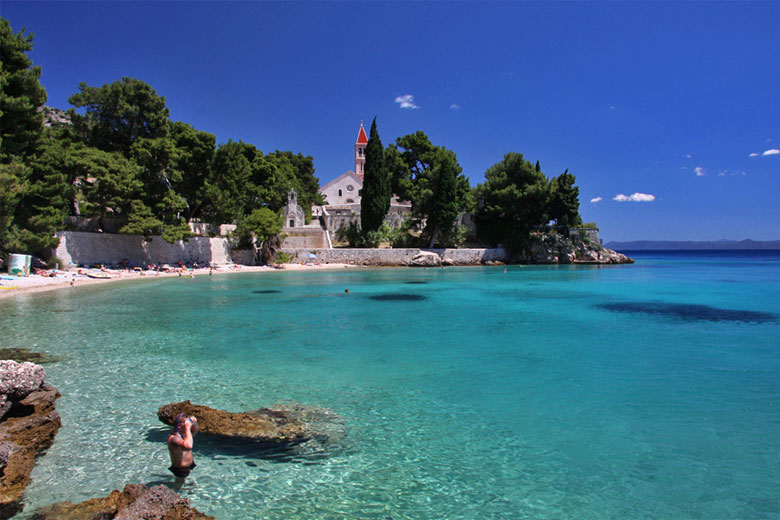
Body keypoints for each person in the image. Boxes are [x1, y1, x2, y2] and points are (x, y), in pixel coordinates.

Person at [167, 413, 198, 479]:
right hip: (180, 469)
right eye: (185, 424)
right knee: (179, 485)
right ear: (179, 426)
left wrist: (194, 423)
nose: (188, 426)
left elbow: (194, 431)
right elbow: (188, 446)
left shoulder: (183, 435)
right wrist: (187, 428)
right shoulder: (174, 439)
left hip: (189, 465)